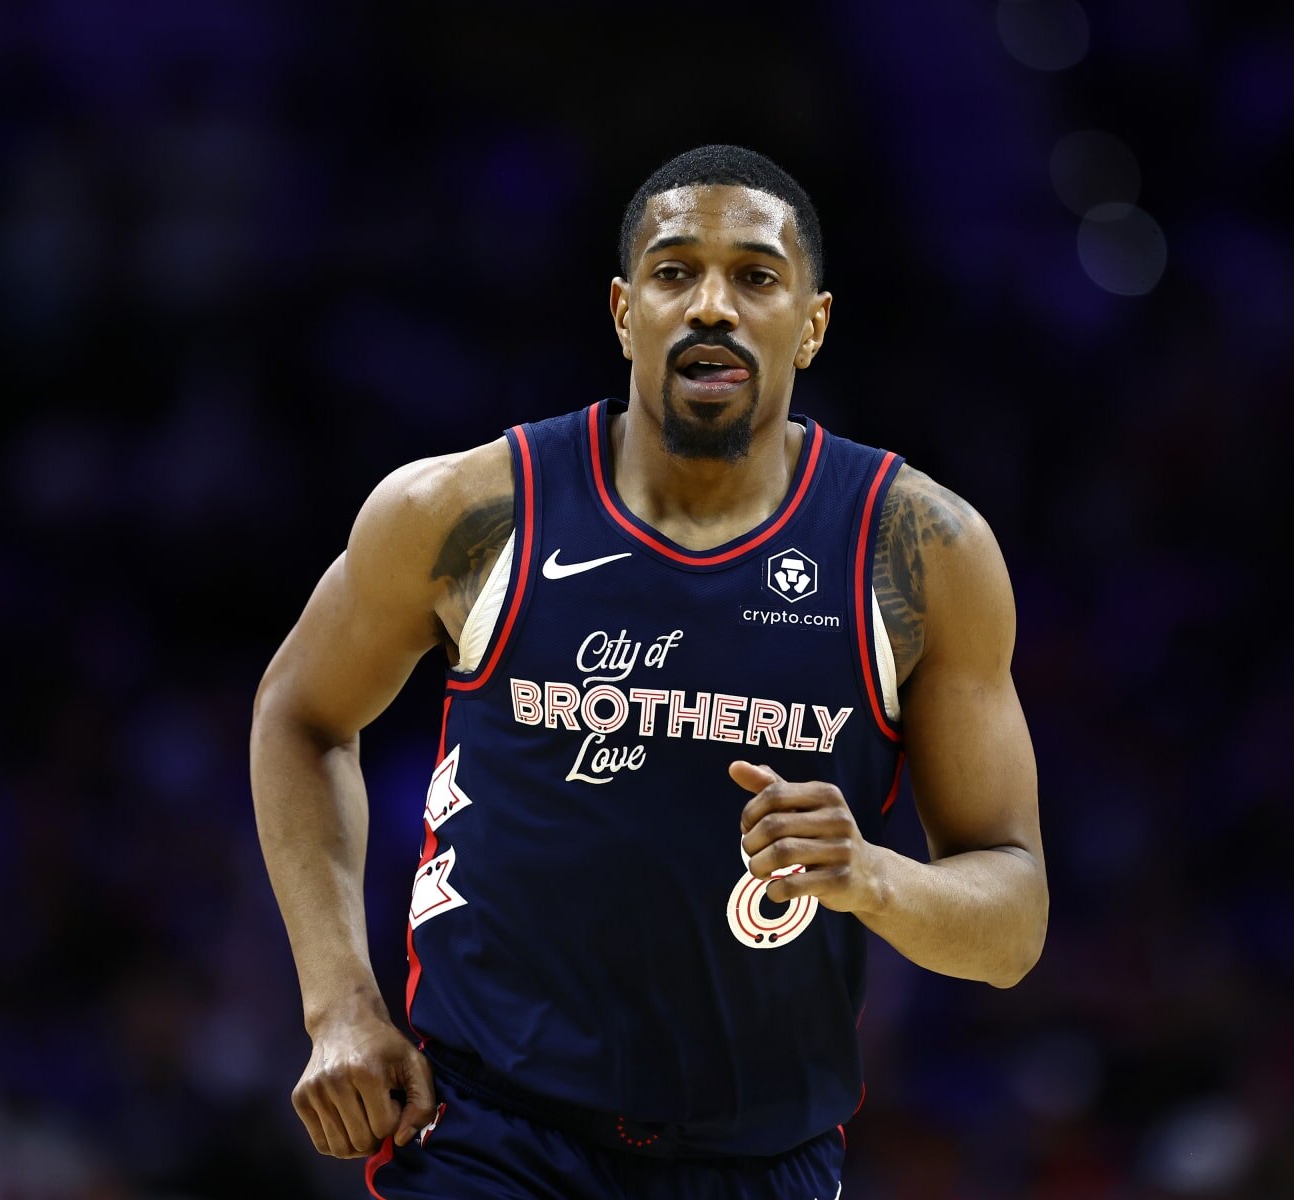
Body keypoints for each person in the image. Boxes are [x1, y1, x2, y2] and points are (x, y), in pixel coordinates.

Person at [249, 144, 1049, 1200]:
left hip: (761, 1160)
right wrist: (340, 1002)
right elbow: (297, 714)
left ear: (811, 322)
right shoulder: (464, 512)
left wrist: (875, 878)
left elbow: (1013, 920)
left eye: (756, 277)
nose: (712, 305)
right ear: (625, 311)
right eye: (676, 272)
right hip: (492, 1135)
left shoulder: (922, 551)